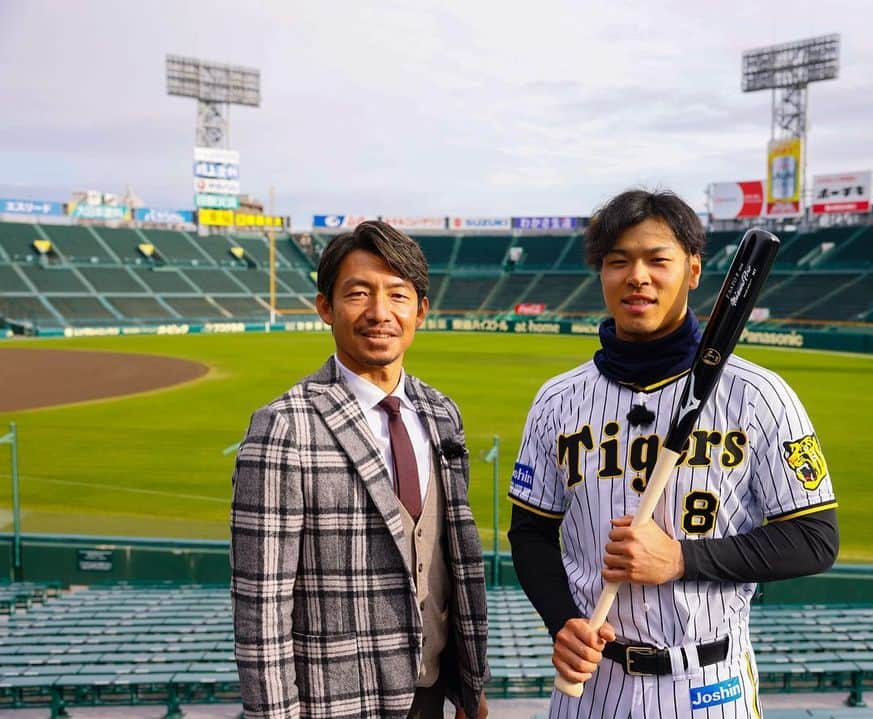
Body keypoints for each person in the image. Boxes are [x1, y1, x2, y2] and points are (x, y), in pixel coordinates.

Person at [508, 189, 839, 718]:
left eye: (657, 259)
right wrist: (561, 621)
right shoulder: (557, 400)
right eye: (618, 261)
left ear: (692, 270)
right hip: (593, 683)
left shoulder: (759, 395)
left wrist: (683, 559)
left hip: (711, 683)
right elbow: (530, 533)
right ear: (601, 274)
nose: (637, 276)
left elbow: (815, 539)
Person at [231, 221, 488, 719]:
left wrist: (471, 686)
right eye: (358, 293)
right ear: (325, 307)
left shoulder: (441, 414)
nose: (379, 313)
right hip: (337, 706)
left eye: (397, 294)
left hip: (433, 696)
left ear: (421, 311)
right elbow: (260, 613)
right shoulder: (283, 427)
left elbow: (449, 561)